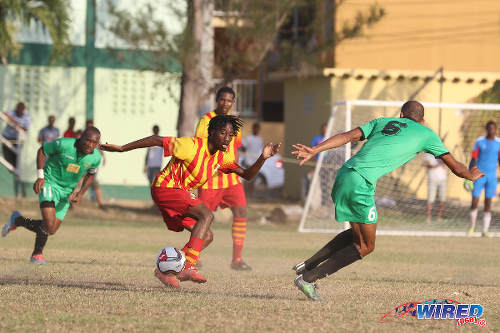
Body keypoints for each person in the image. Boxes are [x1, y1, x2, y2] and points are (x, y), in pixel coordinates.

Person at [291, 101, 484, 301]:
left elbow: (347, 136)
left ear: (401, 115)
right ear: (422, 120)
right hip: (361, 181)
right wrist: (470, 175)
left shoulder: (382, 121)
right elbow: (455, 167)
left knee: (358, 234)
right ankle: (308, 278)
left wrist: (315, 149)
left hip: (345, 174)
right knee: (366, 245)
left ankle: (308, 265)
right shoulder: (427, 134)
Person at [101, 115, 280, 288]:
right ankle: (188, 266)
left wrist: (263, 157)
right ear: (211, 132)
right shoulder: (191, 146)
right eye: (223, 133)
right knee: (206, 214)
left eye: (231, 135)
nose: (227, 139)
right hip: (165, 188)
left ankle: (166, 272)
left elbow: (247, 175)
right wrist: (123, 148)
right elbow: (156, 139)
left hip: (180, 194)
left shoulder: (221, 158)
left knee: (207, 236)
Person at [2, 127, 102, 265]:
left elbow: (91, 174)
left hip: (67, 192)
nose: (90, 145)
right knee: (48, 223)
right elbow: (42, 150)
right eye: (88, 141)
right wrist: (40, 177)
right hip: (50, 183)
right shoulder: (64, 144)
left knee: (51, 229)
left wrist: (81, 193)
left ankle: (18, 220)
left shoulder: (96, 157)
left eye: (94, 143)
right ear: (81, 138)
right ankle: (37, 254)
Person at [195, 87, 251, 270]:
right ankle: (194, 255)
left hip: (232, 179)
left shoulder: (235, 123)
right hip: (210, 180)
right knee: (203, 218)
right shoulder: (206, 121)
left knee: (241, 212)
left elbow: (235, 148)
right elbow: (201, 146)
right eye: (222, 100)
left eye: (229, 101)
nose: (225, 103)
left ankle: (237, 260)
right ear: (216, 100)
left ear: (233, 102)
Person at [468, 121, 499, 237]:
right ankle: (472, 227)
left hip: (492, 177)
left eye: (493, 128)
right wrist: (469, 173)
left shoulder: (498, 143)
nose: (491, 130)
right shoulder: (479, 141)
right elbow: (474, 158)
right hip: (479, 176)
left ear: (495, 130)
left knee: (488, 203)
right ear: (487, 129)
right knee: (475, 201)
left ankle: (485, 230)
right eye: (489, 128)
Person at [2, 102, 30, 197]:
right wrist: (14, 122)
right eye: (19, 109)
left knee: (16, 165)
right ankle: (13, 171)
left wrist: (18, 126)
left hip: (17, 142)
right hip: (7, 139)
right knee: (7, 159)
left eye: (22, 109)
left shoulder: (26, 116)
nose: (20, 111)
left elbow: (25, 128)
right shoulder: (12, 112)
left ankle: (20, 189)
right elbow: (4, 114)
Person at [85, 119, 106, 209]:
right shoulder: (83, 135)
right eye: (88, 125)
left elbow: (99, 146)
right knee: (77, 180)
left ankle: (101, 203)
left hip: (92, 162)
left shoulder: (96, 135)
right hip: (83, 161)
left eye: (91, 125)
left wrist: (104, 156)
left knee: (93, 180)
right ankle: (71, 201)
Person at [423, 152, 447, 223]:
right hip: (432, 179)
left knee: (442, 199)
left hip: (443, 179)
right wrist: (438, 165)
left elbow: (445, 163)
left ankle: (439, 217)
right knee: (430, 199)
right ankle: (428, 218)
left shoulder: (442, 152)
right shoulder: (428, 154)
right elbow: (427, 165)